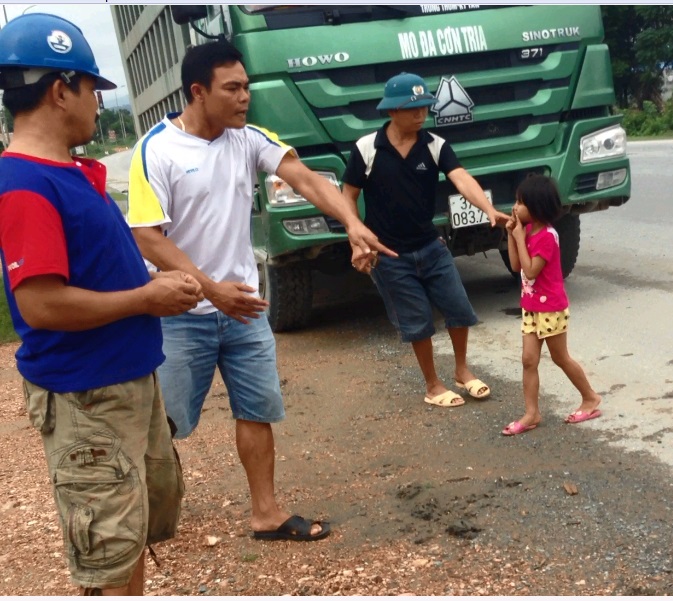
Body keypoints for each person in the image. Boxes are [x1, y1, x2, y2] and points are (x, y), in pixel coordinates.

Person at [126, 41, 392, 542]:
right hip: (180, 311)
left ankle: (265, 513)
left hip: (244, 309)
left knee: (256, 408)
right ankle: (143, 512)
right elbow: (146, 235)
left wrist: (352, 223)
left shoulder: (247, 138)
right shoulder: (156, 149)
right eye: (233, 88)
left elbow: (307, 180)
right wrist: (209, 289)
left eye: (246, 86)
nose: (245, 96)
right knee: (166, 423)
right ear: (198, 92)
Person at [0, 13, 203, 594]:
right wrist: (146, 296)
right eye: (93, 89)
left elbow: (84, 269)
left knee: (132, 533)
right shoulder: (24, 185)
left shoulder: (69, 174)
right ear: (61, 89)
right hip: (88, 400)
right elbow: (40, 305)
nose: (96, 104)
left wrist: (147, 283)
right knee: (107, 560)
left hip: (125, 383)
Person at [341, 72, 509, 409]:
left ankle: (462, 371)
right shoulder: (366, 149)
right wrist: (356, 239)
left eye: (424, 107)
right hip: (389, 254)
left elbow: (461, 177)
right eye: (413, 108)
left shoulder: (435, 145)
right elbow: (348, 196)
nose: (421, 114)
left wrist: (488, 208)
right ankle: (433, 385)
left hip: (432, 246)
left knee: (459, 308)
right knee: (417, 321)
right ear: (391, 111)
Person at [501, 175, 602, 436]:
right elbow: (515, 266)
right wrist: (512, 236)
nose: (515, 206)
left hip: (551, 308)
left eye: (520, 202)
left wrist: (520, 239)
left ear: (535, 207)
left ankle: (590, 398)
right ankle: (531, 412)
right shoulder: (526, 232)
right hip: (531, 307)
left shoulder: (547, 236)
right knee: (528, 360)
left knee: (560, 357)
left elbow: (531, 271)